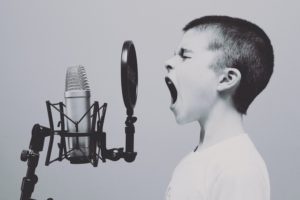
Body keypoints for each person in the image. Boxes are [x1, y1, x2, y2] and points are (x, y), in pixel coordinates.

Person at [164, 15, 274, 200]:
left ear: (226, 79)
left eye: (184, 56)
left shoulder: (239, 169)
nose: (168, 62)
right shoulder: (195, 161)